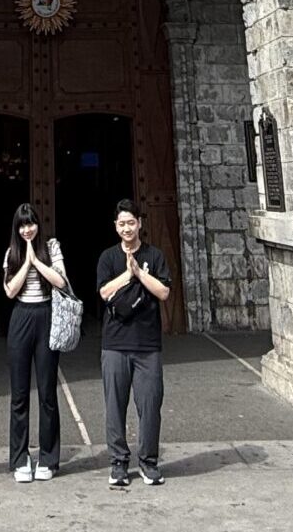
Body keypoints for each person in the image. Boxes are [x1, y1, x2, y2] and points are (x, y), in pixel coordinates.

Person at [94, 199, 170, 488]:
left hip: (147, 344)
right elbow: (103, 292)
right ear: (116, 226)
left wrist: (140, 273)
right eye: (121, 223)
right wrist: (127, 274)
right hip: (114, 343)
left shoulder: (155, 255)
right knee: (115, 405)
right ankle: (119, 462)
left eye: (131, 222)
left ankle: (149, 461)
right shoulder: (108, 258)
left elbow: (163, 292)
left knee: (150, 404)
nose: (127, 227)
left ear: (140, 223)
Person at [2, 203, 68, 482]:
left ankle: (49, 458)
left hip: (46, 314)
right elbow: (9, 290)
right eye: (22, 225)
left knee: (47, 392)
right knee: (19, 395)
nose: (27, 229)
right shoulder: (11, 253)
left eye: (31, 224)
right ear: (17, 228)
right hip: (21, 317)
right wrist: (25, 262)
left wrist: (37, 261)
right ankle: (20, 458)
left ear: (38, 225)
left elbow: (61, 282)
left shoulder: (51, 247)